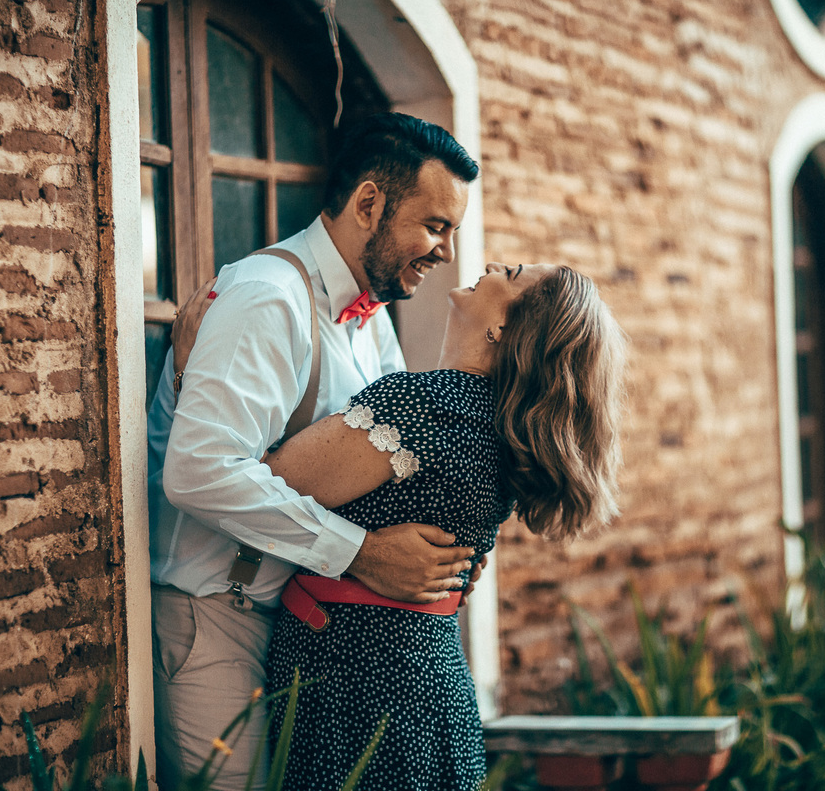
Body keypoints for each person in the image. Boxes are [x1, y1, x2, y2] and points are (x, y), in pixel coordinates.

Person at [172, 260, 625, 789]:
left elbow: (264, 481)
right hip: (431, 680)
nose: (495, 263)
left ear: (504, 328)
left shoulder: (422, 404)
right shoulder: (500, 426)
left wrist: (191, 374)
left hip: (357, 680)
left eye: (515, 272)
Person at [146, 113, 484, 791]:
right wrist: (361, 554)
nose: (445, 252)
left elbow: (378, 470)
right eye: (436, 226)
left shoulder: (371, 320)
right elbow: (198, 473)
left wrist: (443, 556)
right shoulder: (266, 300)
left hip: (294, 625)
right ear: (368, 203)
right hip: (214, 621)